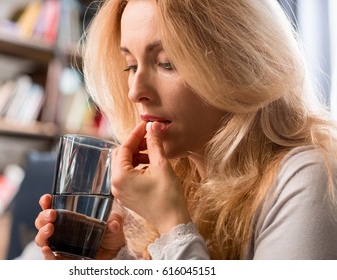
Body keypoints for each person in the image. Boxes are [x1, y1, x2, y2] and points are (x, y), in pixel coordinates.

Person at [35, 0, 337, 259]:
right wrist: (113, 261)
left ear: (238, 65)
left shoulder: (308, 177)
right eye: (130, 66)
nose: (135, 91)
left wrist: (171, 224)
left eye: (167, 63)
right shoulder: (173, 180)